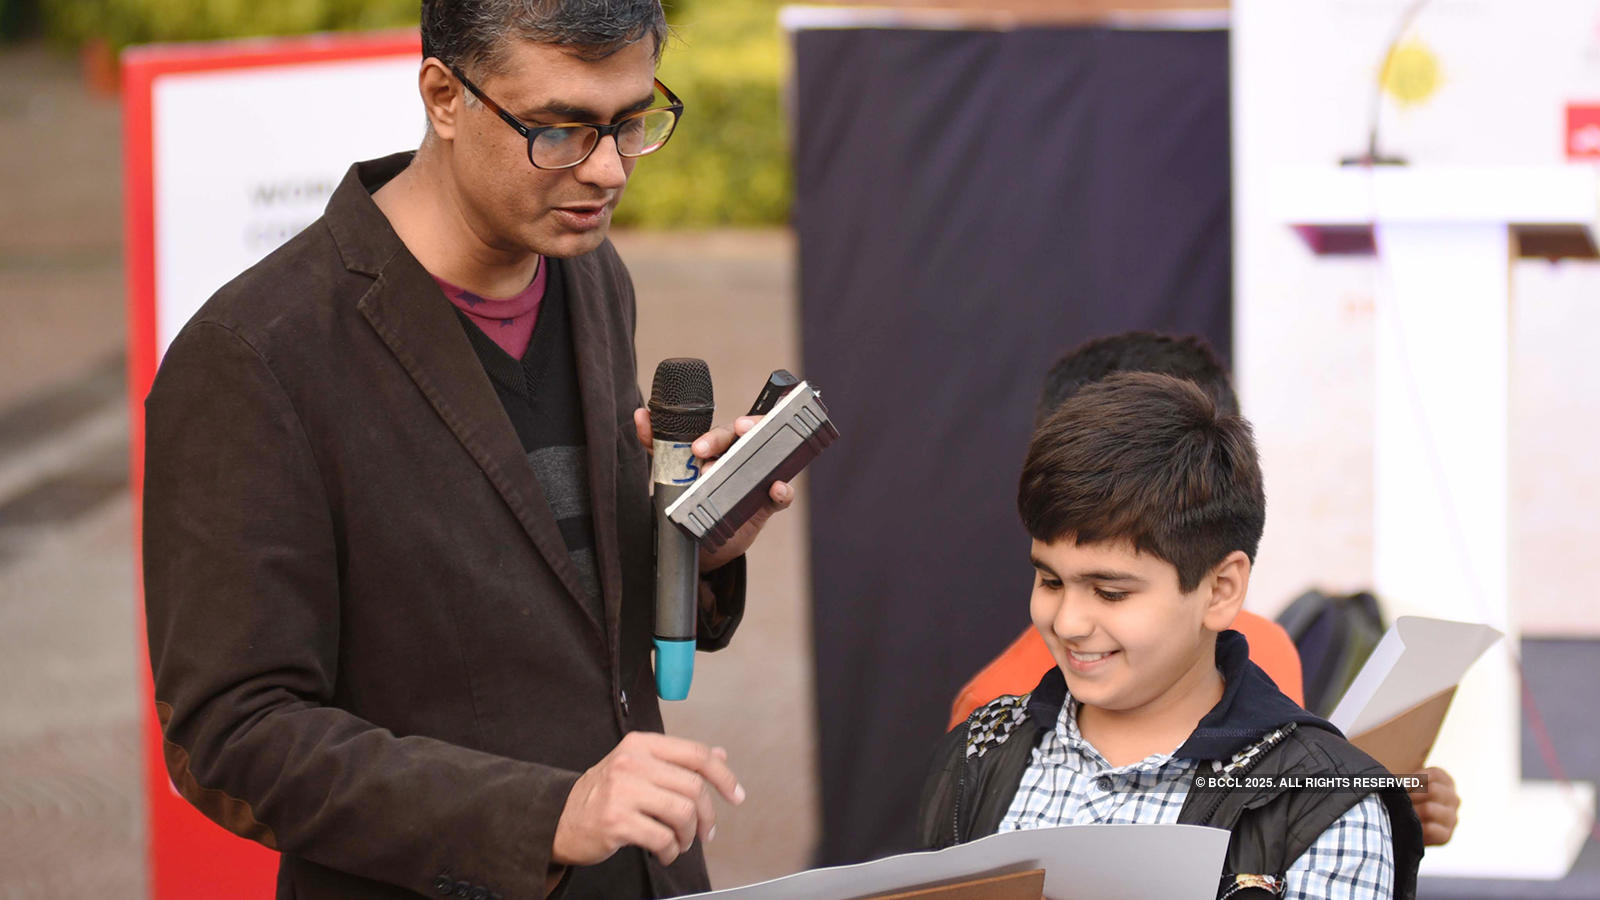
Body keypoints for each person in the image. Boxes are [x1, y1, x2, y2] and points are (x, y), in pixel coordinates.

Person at [141, 2, 791, 897]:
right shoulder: (255, 355)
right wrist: (546, 816)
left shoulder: (594, 276)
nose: (608, 170)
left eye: (632, 120)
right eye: (560, 130)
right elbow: (233, 735)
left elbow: (549, 594)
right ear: (444, 96)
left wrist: (698, 548)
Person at [917, 372, 1425, 899]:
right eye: (1050, 581)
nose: (1068, 622)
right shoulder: (981, 750)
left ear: (1220, 590)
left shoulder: (1322, 804)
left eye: (1110, 592)